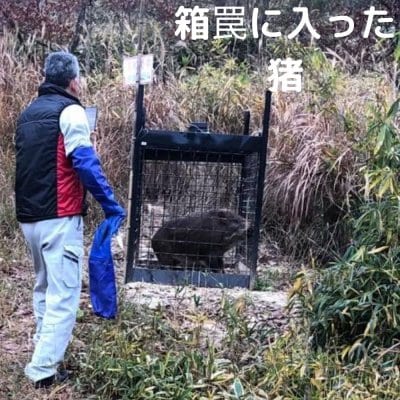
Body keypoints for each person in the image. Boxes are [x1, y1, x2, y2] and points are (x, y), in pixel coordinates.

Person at [14, 51, 125, 388]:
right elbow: (84, 161)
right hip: (60, 217)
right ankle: (43, 371)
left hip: (29, 219)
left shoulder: (27, 114)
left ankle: (43, 352)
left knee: (45, 287)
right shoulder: (71, 111)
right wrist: (111, 205)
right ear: (73, 81)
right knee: (64, 296)